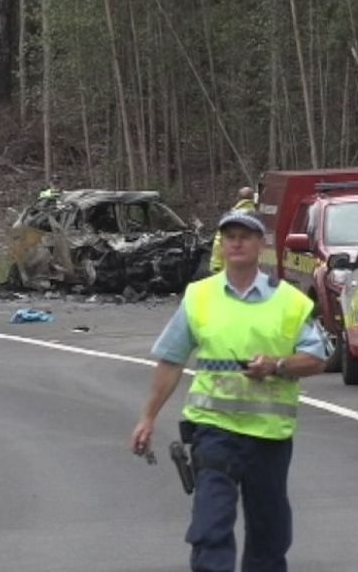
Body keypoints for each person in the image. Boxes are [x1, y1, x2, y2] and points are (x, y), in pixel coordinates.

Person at [130, 209, 326, 572]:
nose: (236, 242)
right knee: (210, 527)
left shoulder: (290, 301)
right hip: (213, 430)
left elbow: (317, 358)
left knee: (269, 537)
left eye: (245, 235)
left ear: (260, 244)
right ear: (221, 243)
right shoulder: (199, 296)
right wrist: (147, 417)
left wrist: (277, 365)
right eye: (229, 235)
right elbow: (171, 360)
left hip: (268, 437)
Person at [209, 186, 255, 274]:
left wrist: (216, 264)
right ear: (253, 198)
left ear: (238, 199)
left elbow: (219, 242)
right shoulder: (259, 217)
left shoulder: (230, 217)